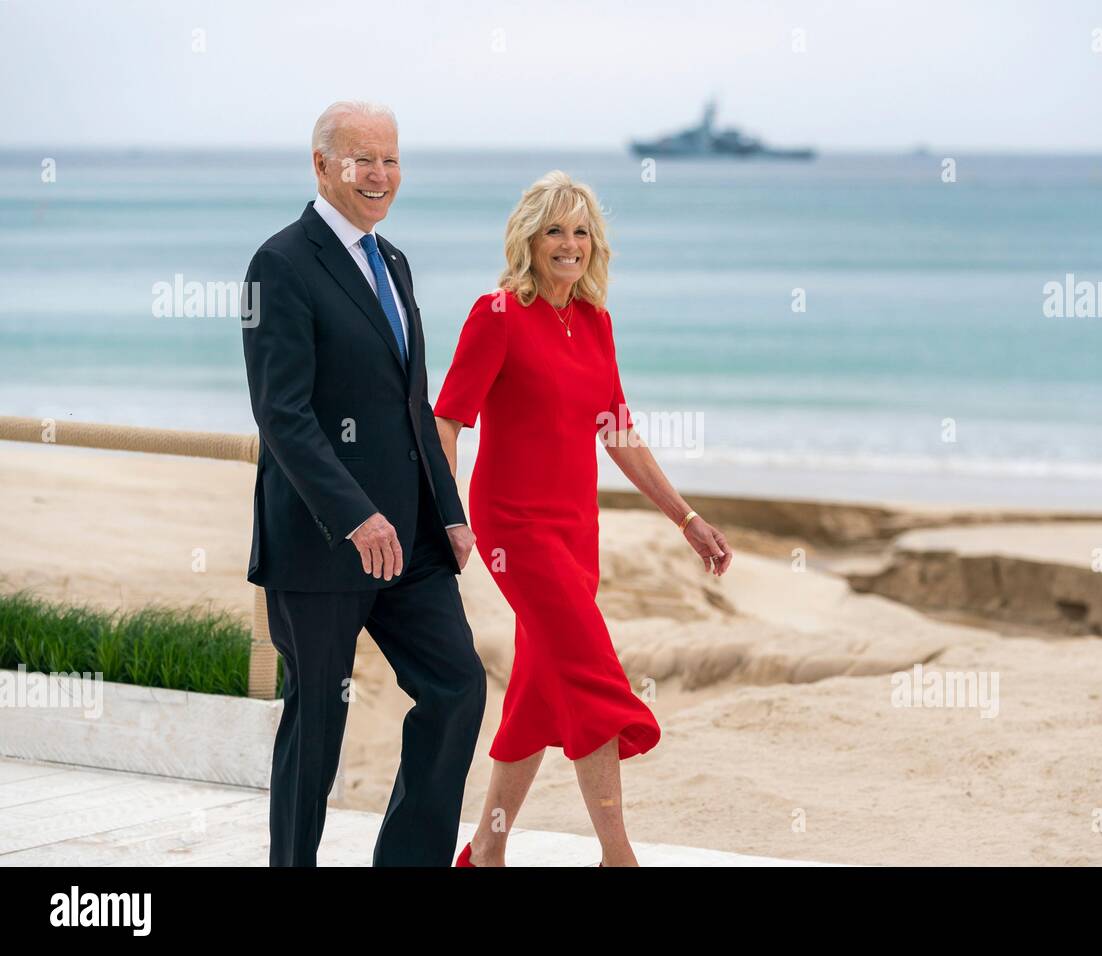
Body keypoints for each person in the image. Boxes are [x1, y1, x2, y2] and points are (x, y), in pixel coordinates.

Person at [433, 170, 733, 867]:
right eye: (554, 231)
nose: (568, 244)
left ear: (594, 243)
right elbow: (447, 420)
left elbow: (617, 430)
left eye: (580, 230)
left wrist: (684, 517)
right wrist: (449, 516)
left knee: (539, 694)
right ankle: (618, 857)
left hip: (576, 529)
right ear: (528, 240)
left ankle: (484, 853)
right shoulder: (497, 314)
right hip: (514, 527)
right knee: (594, 677)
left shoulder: (596, 323)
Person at [240, 100, 484, 866]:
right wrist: (354, 516)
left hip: (410, 539)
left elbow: (414, 403)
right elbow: (282, 413)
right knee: (316, 729)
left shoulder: (394, 260)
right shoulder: (278, 264)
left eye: (391, 159)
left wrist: (448, 510)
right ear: (322, 165)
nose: (381, 175)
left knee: (457, 690)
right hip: (323, 542)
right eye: (362, 159)